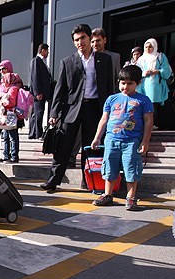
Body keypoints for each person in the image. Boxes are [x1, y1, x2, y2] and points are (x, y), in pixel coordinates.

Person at [40, 24, 115, 192]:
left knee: (91, 147)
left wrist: (110, 111)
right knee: (63, 146)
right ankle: (53, 181)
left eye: (83, 38)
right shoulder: (67, 62)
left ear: (90, 38)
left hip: (94, 108)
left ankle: (89, 182)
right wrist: (53, 113)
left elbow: (109, 88)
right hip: (71, 109)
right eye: (76, 40)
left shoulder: (104, 60)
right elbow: (60, 90)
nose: (80, 42)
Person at [90, 65, 153, 211]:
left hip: (132, 141)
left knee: (131, 168)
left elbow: (149, 121)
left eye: (130, 83)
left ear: (138, 83)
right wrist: (97, 138)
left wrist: (145, 141)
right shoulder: (111, 99)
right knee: (109, 168)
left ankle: (131, 197)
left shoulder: (144, 100)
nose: (125, 86)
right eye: (123, 83)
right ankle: (107, 195)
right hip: (111, 139)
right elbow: (104, 119)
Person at [136, 38, 172, 130]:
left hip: (156, 86)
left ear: (155, 47)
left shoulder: (160, 57)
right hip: (143, 85)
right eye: (146, 47)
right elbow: (137, 71)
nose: (148, 49)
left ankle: (152, 123)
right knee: (144, 104)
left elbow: (167, 71)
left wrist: (158, 71)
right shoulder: (141, 59)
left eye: (151, 47)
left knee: (153, 104)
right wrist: (144, 73)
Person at [0, 72, 23, 163]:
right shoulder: (8, 89)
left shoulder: (13, 89)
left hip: (10, 115)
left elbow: (11, 103)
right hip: (6, 115)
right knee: (5, 136)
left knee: (12, 136)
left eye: (4, 80)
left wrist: (3, 101)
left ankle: (14, 156)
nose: (3, 82)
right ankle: (6, 155)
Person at [28, 43, 52, 140]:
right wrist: (37, 92)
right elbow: (35, 77)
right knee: (38, 113)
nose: (48, 53)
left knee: (37, 113)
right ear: (42, 50)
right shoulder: (36, 61)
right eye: (47, 51)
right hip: (39, 93)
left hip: (42, 93)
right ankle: (37, 133)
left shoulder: (41, 62)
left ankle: (34, 133)